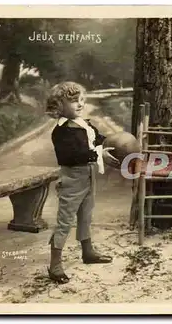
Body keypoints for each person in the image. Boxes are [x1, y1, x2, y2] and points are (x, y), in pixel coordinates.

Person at [45, 81, 120, 284]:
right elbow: (71, 156)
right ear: (59, 105)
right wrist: (98, 153)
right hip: (72, 179)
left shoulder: (84, 124)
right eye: (73, 101)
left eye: (81, 100)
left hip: (88, 175)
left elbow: (99, 139)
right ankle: (55, 265)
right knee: (65, 221)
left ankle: (88, 253)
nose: (79, 104)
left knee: (86, 215)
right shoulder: (61, 132)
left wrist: (115, 143)